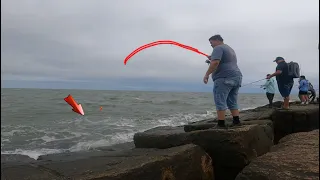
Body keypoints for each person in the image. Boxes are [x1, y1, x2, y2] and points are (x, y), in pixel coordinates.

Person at [203, 35, 243, 128]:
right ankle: (236, 121)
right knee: (232, 100)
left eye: (211, 42)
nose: (211, 45)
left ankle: (221, 124)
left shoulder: (218, 48)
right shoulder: (230, 49)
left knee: (220, 100)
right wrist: (213, 58)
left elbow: (215, 62)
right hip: (237, 77)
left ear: (217, 40)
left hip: (224, 77)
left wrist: (207, 74)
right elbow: (223, 60)